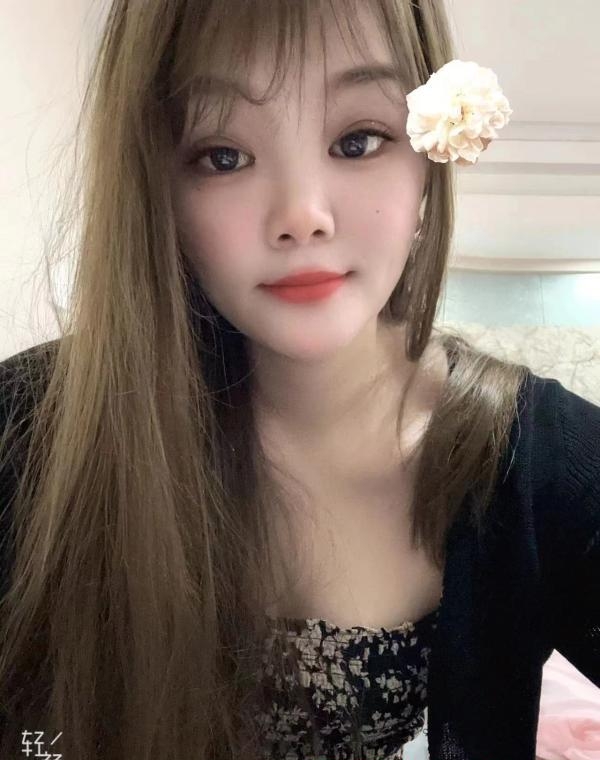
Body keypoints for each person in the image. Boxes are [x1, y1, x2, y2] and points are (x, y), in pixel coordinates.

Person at [0, 1, 597, 759]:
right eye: (223, 155)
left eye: (358, 140)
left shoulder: (549, 464)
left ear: (428, 165)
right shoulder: (33, 427)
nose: (303, 215)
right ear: (159, 192)